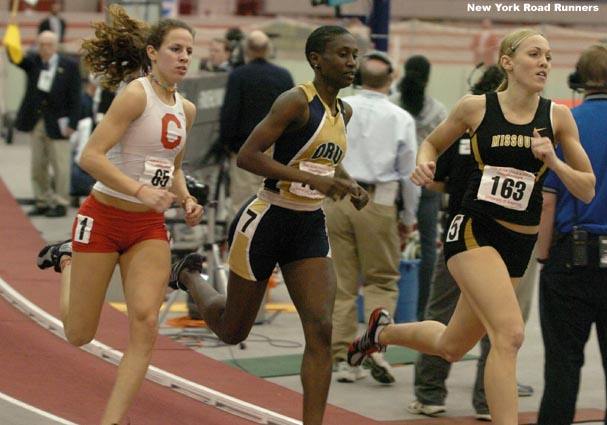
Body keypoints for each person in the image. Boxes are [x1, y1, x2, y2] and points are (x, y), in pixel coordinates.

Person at [349, 28, 595, 425]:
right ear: (508, 62)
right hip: (473, 229)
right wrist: (424, 162)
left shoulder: (558, 116)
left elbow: (586, 189)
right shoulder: (475, 107)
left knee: (451, 345)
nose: (545, 63)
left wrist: (554, 159)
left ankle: (382, 334)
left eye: (549, 56)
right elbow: (431, 143)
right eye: (535, 54)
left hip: (520, 241)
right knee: (510, 334)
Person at [169, 25, 366, 425]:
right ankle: (189, 274)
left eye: (354, 55)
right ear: (316, 59)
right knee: (232, 330)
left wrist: (346, 181)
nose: (351, 63)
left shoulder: (343, 111)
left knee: (322, 328)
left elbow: (322, 157)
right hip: (266, 219)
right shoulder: (294, 101)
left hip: (309, 226)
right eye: (342, 54)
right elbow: (248, 156)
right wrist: (313, 180)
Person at [35, 6, 203, 425]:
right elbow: (91, 157)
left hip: (147, 227)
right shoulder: (135, 95)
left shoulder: (188, 109)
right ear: (152, 52)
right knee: (79, 334)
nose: (184, 57)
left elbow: (174, 166)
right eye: (175, 49)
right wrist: (141, 190)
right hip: (104, 217)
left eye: (189, 51)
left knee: (145, 323)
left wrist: (185, 199)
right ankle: (68, 258)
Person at [407, 65, 534, 421]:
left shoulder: (540, 124)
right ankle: (441, 394)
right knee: (505, 331)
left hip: (511, 241)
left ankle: (387, 337)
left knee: (458, 339)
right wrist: (427, 169)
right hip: (466, 235)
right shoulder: (469, 115)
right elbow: (431, 154)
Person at [324, 50, 418, 385]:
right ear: (391, 80)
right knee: (381, 280)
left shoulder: (337, 108)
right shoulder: (400, 118)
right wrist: (409, 216)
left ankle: (343, 359)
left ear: (358, 77)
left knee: (342, 282)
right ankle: (375, 346)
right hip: (378, 202)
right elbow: (409, 174)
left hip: (335, 198)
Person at [536, 43, 607, 425]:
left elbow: (548, 202)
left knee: (562, 367)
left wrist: (544, 258)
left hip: (571, 255)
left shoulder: (565, 125)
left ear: (578, 79)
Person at [393, 55, 448, 320]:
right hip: (427, 183)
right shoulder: (438, 111)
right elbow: (446, 150)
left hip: (392, 185)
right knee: (428, 247)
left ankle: (386, 308)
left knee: (389, 244)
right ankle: (422, 311)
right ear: (428, 77)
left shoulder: (392, 106)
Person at [219, 30, 294, 219]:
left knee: (242, 204)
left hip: (244, 151)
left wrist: (228, 146)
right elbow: (293, 115)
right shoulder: (283, 76)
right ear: (269, 50)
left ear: (247, 51)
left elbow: (230, 114)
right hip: (275, 153)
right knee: (274, 203)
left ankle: (239, 245)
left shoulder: (238, 76)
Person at [8, 30, 81, 218]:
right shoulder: (33, 63)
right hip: (37, 122)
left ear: (55, 46)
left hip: (59, 123)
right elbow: (16, 58)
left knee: (61, 166)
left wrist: (72, 123)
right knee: (38, 165)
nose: (44, 48)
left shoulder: (70, 66)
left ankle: (61, 202)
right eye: (41, 44)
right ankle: (42, 200)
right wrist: (11, 39)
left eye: (48, 44)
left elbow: (75, 97)